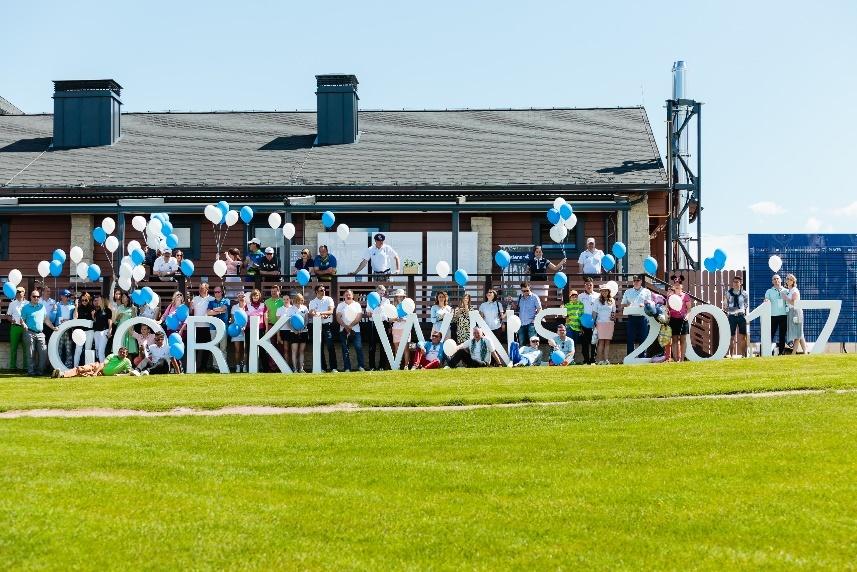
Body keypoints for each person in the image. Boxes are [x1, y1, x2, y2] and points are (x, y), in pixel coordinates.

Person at [21, 289, 54, 376]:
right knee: (30, 353)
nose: (36, 298)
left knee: (43, 353)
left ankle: (40, 371)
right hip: (29, 333)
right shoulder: (25, 308)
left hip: (40, 333)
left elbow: (46, 320)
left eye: (38, 296)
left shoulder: (42, 307)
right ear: (30, 297)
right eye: (34, 296)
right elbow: (22, 320)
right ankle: (31, 372)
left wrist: (53, 327)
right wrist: (24, 325)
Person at [53, 347, 137, 378]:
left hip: (102, 374)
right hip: (97, 367)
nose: (122, 353)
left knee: (80, 374)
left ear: (126, 354)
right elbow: (103, 364)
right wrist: (96, 372)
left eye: (124, 352)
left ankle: (61, 375)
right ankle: (62, 374)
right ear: (118, 352)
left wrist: (120, 375)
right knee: (82, 368)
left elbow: (131, 373)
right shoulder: (112, 356)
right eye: (121, 352)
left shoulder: (127, 362)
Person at [621, 274, 652, 357]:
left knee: (643, 338)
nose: (636, 282)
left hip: (643, 318)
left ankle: (642, 357)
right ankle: (630, 357)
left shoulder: (647, 291)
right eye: (634, 280)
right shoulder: (628, 292)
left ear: (641, 281)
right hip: (631, 318)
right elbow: (623, 304)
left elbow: (650, 304)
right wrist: (628, 306)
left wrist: (644, 305)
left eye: (638, 280)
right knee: (630, 338)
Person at [308, 284, 337, 372]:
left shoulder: (329, 299)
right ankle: (323, 367)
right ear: (316, 291)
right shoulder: (312, 302)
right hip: (316, 326)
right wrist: (319, 314)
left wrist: (319, 313)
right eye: (321, 290)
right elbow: (311, 313)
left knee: (330, 346)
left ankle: (333, 368)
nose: (323, 291)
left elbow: (331, 311)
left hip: (327, 325)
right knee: (319, 347)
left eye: (324, 290)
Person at [336, 289, 365, 372]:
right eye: (346, 294)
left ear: (352, 296)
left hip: (355, 330)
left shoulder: (357, 305)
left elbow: (359, 317)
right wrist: (345, 326)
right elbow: (338, 317)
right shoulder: (340, 305)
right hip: (343, 330)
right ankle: (347, 368)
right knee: (345, 350)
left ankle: (361, 366)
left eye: (349, 294)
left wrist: (350, 326)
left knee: (358, 348)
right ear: (344, 296)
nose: (348, 296)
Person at [667, 275, 692, 362]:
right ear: (673, 286)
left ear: (682, 286)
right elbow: (667, 308)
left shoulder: (685, 296)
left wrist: (687, 316)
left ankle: (681, 359)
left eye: (679, 284)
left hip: (683, 319)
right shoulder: (670, 296)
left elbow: (689, 309)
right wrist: (667, 297)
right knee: (674, 339)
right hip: (673, 319)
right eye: (675, 284)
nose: (677, 285)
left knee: (683, 339)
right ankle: (676, 359)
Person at [365, 284, 389, 371]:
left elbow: (387, 313)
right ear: (376, 291)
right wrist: (370, 313)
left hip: (383, 323)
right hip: (373, 323)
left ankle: (382, 366)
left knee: (383, 345)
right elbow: (368, 312)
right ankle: (372, 366)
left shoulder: (386, 301)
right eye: (380, 291)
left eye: (383, 291)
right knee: (372, 345)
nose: (382, 292)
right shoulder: (370, 299)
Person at [723, 275, 749, 358]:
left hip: (741, 316)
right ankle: (731, 355)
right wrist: (726, 305)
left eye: (737, 282)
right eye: (734, 282)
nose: (735, 283)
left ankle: (744, 355)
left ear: (740, 283)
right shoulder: (728, 293)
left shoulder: (744, 293)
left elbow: (746, 305)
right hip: (732, 316)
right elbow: (725, 304)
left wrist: (739, 309)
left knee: (743, 336)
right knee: (731, 336)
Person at [190, 283, 214, 371]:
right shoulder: (195, 298)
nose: (200, 289)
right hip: (196, 327)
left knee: (207, 348)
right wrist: (190, 305)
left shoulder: (212, 299)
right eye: (199, 288)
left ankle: (203, 366)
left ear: (207, 289)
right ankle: (194, 367)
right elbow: (190, 310)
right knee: (195, 348)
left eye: (202, 288)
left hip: (207, 327)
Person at [764, 274, 789, 356]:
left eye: (777, 278)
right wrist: (766, 300)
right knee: (771, 334)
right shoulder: (769, 291)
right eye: (774, 279)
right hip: (773, 316)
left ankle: (781, 352)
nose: (776, 280)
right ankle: (768, 352)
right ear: (772, 281)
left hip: (784, 315)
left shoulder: (786, 290)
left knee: (782, 335)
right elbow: (766, 299)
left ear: (781, 280)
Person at [263, 284, 286, 371]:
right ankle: (272, 367)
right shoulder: (267, 302)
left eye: (275, 291)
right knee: (271, 347)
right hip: (270, 326)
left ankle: (281, 366)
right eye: (272, 291)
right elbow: (264, 315)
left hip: (281, 327)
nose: (273, 293)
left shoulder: (282, 301)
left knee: (281, 347)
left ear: (279, 292)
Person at [783, 273, 807, 355]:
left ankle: (793, 353)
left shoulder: (794, 290)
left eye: (790, 279)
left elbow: (794, 302)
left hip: (796, 312)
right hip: (791, 312)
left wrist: (785, 298)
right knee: (800, 333)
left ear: (793, 281)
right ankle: (805, 352)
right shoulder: (789, 290)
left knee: (798, 333)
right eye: (787, 279)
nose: (788, 280)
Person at [52, 289, 76, 368]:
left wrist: (76, 307)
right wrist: (54, 310)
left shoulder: (72, 306)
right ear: (61, 296)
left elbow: (75, 318)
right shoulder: (57, 305)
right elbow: (52, 319)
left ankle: (68, 367)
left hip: (68, 330)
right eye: (67, 296)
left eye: (69, 296)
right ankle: (58, 366)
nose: (68, 298)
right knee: (58, 349)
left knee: (69, 350)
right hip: (58, 330)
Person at [592, 285, 616, 365]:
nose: (604, 292)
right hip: (600, 323)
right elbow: (594, 313)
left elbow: (613, 312)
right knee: (601, 342)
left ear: (608, 291)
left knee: (607, 342)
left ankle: (606, 360)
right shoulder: (597, 300)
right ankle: (599, 360)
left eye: (606, 291)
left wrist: (613, 318)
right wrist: (594, 323)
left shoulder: (612, 300)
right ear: (600, 292)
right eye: (602, 291)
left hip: (609, 324)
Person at [514, 281, 542, 346]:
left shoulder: (534, 297)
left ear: (530, 288)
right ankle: (522, 356)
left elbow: (539, 309)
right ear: (521, 290)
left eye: (527, 290)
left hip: (531, 323)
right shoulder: (520, 297)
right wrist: (511, 302)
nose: (526, 292)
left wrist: (535, 320)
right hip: (521, 323)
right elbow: (517, 308)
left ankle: (534, 355)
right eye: (524, 291)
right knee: (521, 342)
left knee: (533, 342)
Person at [207, 286, 231, 360]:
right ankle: (215, 366)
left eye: (218, 292)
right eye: (215, 292)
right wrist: (220, 311)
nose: (217, 293)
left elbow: (223, 308)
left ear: (222, 292)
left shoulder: (226, 300)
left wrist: (214, 310)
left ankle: (224, 366)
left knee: (223, 347)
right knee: (214, 347)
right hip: (213, 327)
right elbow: (208, 313)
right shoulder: (211, 302)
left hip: (223, 327)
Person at [6, 286, 27, 371]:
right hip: (15, 327)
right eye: (17, 292)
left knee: (26, 348)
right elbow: (8, 316)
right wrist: (11, 319)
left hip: (25, 328)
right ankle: (12, 367)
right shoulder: (12, 303)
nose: (18, 293)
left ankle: (26, 367)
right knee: (13, 348)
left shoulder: (28, 303)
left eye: (20, 292)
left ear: (24, 293)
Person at [112, 292, 137, 360]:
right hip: (120, 329)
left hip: (129, 330)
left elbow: (135, 320)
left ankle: (128, 366)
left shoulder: (133, 308)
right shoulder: (120, 307)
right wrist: (118, 318)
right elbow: (115, 322)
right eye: (122, 297)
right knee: (119, 348)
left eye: (123, 297)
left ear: (128, 298)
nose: (122, 298)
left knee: (129, 350)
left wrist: (131, 329)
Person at [73, 292, 95, 367]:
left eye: (86, 300)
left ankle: (87, 368)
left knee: (88, 349)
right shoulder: (79, 308)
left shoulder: (92, 307)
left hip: (89, 331)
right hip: (80, 331)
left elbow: (94, 319)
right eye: (82, 300)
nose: (84, 302)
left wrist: (93, 314)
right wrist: (76, 307)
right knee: (78, 350)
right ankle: (75, 367)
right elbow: (75, 318)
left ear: (88, 300)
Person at [288, 293, 309, 373]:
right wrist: (294, 330)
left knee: (302, 351)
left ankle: (301, 368)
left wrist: (302, 328)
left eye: (301, 299)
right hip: (293, 332)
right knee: (294, 351)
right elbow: (289, 321)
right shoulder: (291, 309)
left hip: (303, 331)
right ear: (295, 299)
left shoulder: (305, 308)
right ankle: (295, 369)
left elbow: (306, 320)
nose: (300, 301)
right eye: (298, 299)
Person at [390, 288, 411, 366]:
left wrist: (403, 319)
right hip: (396, 329)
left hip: (405, 328)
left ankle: (406, 366)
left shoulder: (408, 306)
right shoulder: (393, 306)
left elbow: (410, 318)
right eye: (398, 296)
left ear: (403, 297)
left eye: (401, 296)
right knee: (396, 348)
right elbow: (390, 320)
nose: (399, 297)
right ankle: (397, 365)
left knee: (405, 348)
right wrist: (395, 319)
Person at [230, 291, 250, 372]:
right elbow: (232, 320)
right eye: (239, 297)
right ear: (237, 298)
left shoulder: (249, 306)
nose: (241, 298)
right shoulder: (234, 307)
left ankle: (244, 366)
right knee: (237, 350)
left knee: (245, 349)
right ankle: (238, 366)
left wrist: (245, 327)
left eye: (243, 297)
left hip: (246, 330)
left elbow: (248, 319)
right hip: (236, 330)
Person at [91, 294, 113, 363]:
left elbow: (110, 321)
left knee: (101, 351)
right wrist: (93, 316)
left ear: (102, 300)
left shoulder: (108, 310)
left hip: (104, 332)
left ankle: (102, 369)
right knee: (97, 351)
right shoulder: (97, 311)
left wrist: (110, 330)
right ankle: (100, 366)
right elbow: (96, 321)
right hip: (96, 332)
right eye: (97, 300)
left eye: (99, 299)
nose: (97, 301)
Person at [563, 290, 584, 362]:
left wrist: (581, 327)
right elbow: (564, 316)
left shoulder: (581, 305)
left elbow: (581, 316)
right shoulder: (567, 305)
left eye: (576, 295)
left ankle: (572, 359)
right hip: (569, 326)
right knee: (569, 343)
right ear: (570, 297)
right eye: (573, 295)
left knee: (574, 344)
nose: (574, 297)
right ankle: (568, 360)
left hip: (577, 327)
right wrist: (562, 308)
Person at [274, 293, 294, 371]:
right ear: (282, 300)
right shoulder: (279, 309)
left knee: (293, 350)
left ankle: (293, 367)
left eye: (287, 299)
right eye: (284, 299)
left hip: (293, 331)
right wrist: (278, 335)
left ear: (290, 300)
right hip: (283, 331)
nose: (286, 300)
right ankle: (286, 367)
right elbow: (278, 325)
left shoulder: (293, 308)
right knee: (285, 349)